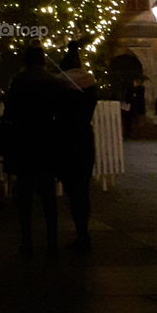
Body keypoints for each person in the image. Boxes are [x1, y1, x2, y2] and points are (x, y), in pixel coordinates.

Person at [3, 46, 63, 258]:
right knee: (48, 195)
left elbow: (9, 113)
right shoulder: (52, 81)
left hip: (24, 142)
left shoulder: (19, 82)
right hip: (46, 143)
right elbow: (60, 112)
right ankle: (52, 241)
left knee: (25, 195)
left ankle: (27, 240)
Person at [55, 41, 98, 251]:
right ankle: (84, 232)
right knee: (83, 190)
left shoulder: (62, 89)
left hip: (66, 141)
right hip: (85, 140)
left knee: (72, 192)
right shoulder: (90, 88)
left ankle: (80, 234)